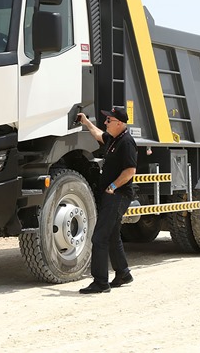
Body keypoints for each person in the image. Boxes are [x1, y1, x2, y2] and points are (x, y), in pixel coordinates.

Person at [76, 106, 137, 294]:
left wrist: (113, 187)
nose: (105, 122)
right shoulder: (114, 139)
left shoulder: (126, 142)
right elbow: (99, 134)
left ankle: (101, 282)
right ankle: (123, 273)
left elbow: (130, 171)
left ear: (119, 123)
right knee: (112, 235)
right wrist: (86, 122)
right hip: (113, 195)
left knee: (99, 237)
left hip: (117, 196)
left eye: (108, 120)